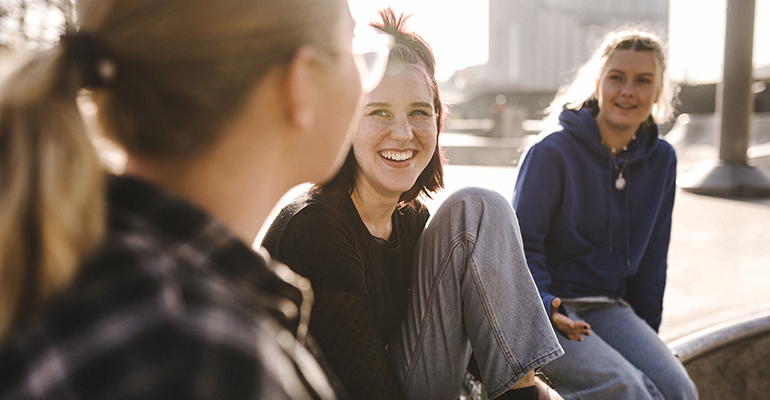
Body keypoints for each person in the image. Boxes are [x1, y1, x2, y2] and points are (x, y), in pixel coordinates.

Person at [0, 0, 390, 398]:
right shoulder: (204, 357)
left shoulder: (69, 257)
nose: (367, 76)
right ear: (301, 82)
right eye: (352, 44)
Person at [263, 9, 564, 400]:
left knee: (474, 209)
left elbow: (460, 328)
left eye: (420, 112)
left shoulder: (411, 218)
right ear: (347, 120)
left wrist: (538, 391)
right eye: (379, 112)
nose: (403, 133)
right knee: (475, 208)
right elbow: (366, 391)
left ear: (438, 122)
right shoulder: (317, 229)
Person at [512, 29, 698, 400]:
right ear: (598, 83)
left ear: (658, 91)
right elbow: (518, 250)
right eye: (617, 77)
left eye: (643, 81)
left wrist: (648, 341)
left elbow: (651, 263)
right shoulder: (552, 152)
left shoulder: (662, 159)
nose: (628, 90)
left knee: (679, 390)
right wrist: (547, 307)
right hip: (547, 310)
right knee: (628, 390)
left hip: (609, 309)